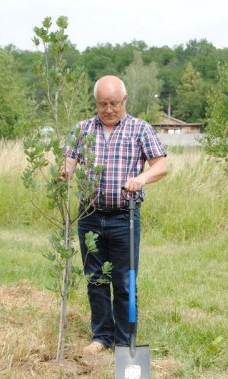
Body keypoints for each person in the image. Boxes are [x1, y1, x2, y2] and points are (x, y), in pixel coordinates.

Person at [63, 75, 167, 354]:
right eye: (102, 104)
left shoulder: (140, 129)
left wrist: (142, 179)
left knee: (124, 279)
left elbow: (161, 165)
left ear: (124, 101)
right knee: (95, 277)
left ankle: (124, 341)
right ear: (95, 103)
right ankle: (101, 336)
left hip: (124, 217)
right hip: (89, 216)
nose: (108, 109)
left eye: (114, 104)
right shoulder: (82, 129)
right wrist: (65, 172)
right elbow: (69, 161)